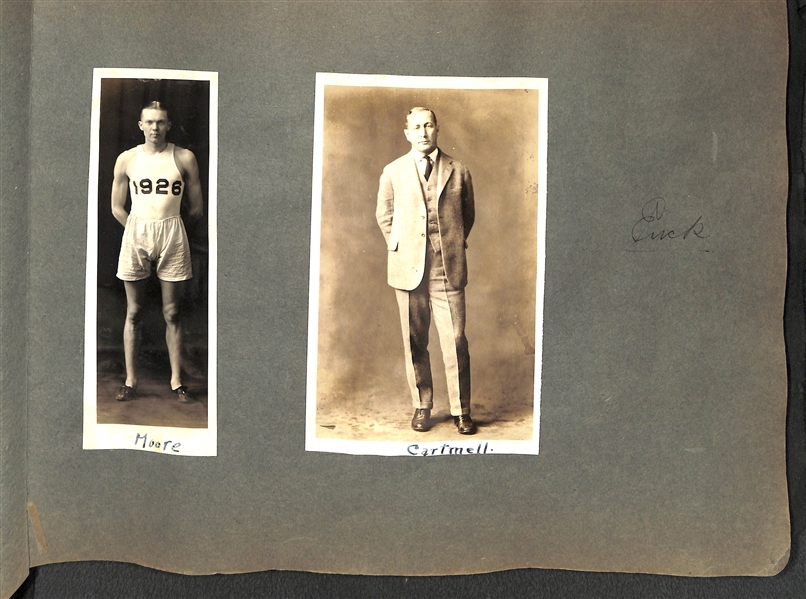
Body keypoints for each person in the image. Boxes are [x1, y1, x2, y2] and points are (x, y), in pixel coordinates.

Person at [376, 107, 476, 435]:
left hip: (447, 267)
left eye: (428, 125)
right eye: (416, 127)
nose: (423, 132)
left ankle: (462, 411)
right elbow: (384, 215)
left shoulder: (458, 170)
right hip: (408, 269)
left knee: (456, 339)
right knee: (414, 339)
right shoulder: (392, 171)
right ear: (407, 133)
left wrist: (449, 244)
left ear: (437, 129)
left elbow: (467, 216)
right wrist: (401, 246)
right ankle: (422, 404)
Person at [110, 101, 203, 403]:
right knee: (134, 312)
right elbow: (116, 207)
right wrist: (136, 230)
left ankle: (177, 382)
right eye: (149, 122)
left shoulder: (184, 157)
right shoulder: (127, 159)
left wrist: (174, 230)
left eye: (160, 122)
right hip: (136, 232)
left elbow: (197, 208)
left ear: (168, 125)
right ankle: (130, 380)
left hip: (173, 234)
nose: (154, 128)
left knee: (172, 312)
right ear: (140, 125)